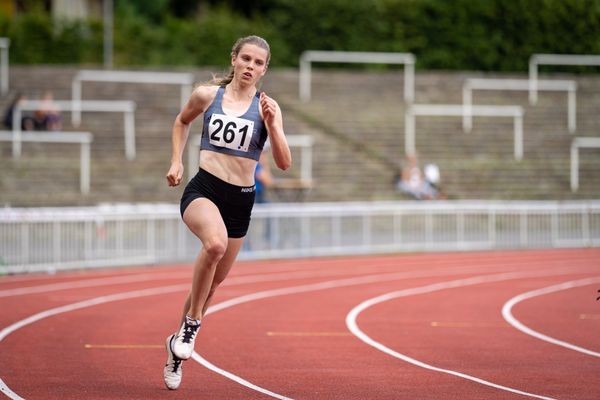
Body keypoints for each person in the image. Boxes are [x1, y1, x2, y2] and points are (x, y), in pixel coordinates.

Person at [163, 35, 291, 390]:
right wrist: (176, 161)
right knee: (215, 245)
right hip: (204, 189)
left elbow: (283, 163)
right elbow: (180, 122)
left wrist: (275, 126)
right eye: (245, 59)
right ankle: (192, 325)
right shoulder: (208, 95)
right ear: (234, 59)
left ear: (265, 69)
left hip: (241, 199)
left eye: (258, 62)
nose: (250, 66)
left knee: (214, 283)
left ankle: (176, 347)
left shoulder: (268, 108)